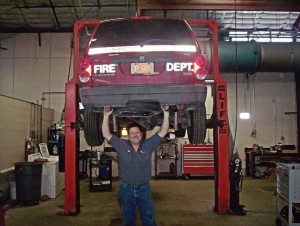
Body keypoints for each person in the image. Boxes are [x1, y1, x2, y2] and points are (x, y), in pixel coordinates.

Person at [102, 105, 170, 226]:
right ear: (128, 136)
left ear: (142, 135)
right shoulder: (121, 144)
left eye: (137, 133)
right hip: (126, 189)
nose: (134, 135)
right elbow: (106, 134)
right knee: (128, 220)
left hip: (144, 189)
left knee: (149, 220)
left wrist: (166, 114)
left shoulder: (148, 144)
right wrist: (106, 116)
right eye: (132, 133)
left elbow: (163, 132)